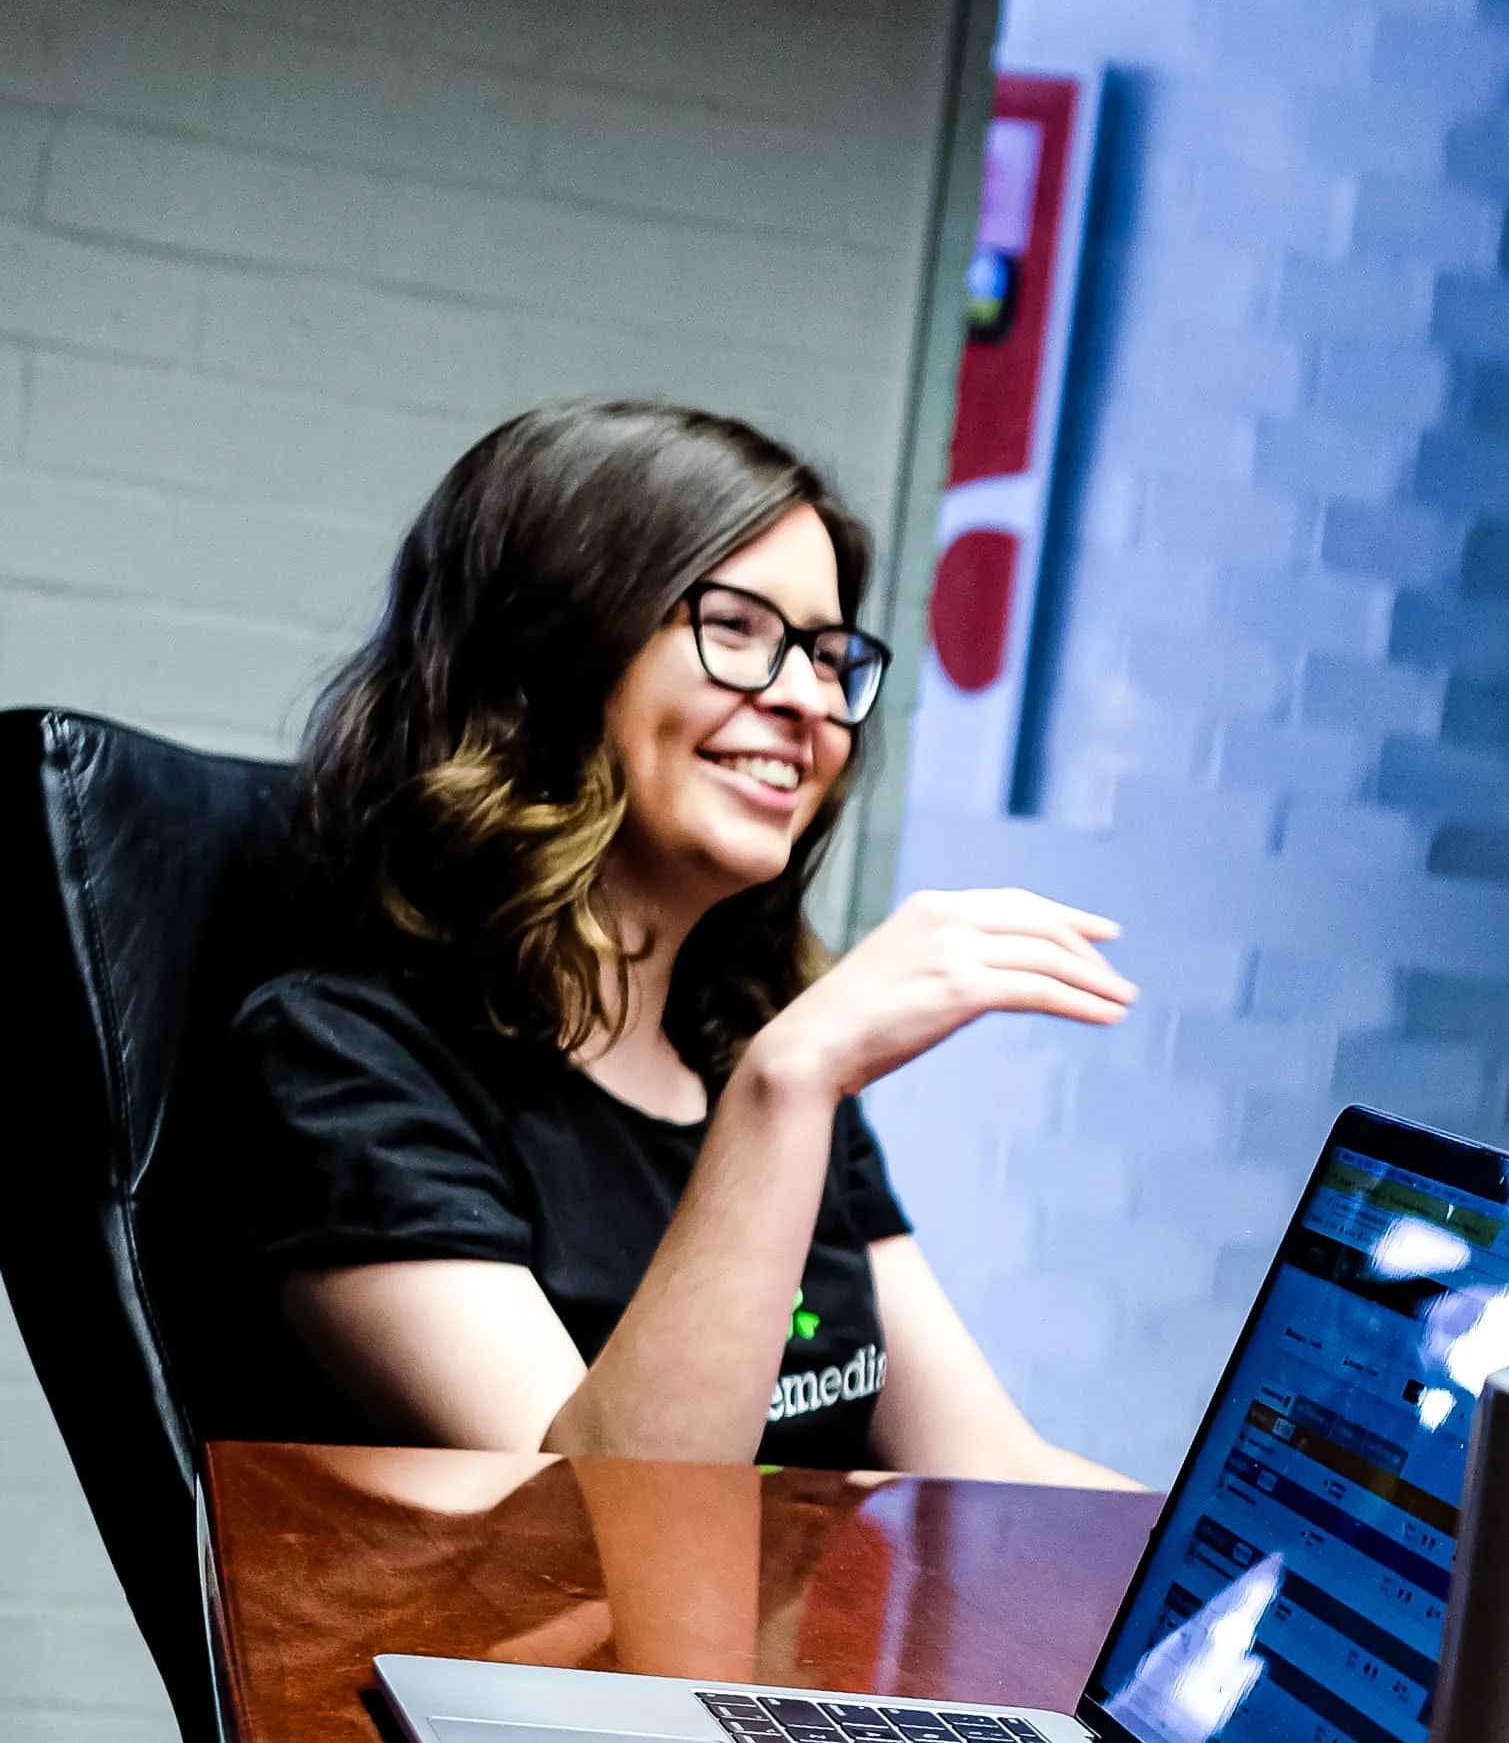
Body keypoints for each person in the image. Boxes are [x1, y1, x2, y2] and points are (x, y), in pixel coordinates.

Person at [234, 399, 1137, 1483]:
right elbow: (600, 1515)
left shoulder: (737, 1042)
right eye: (738, 629)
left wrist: (1299, 1587)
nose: (811, 699)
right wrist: (789, 1080)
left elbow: (985, 1467)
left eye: (827, 651)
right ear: (551, 658)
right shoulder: (345, 1056)